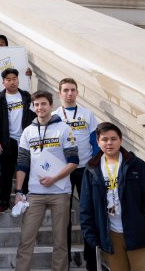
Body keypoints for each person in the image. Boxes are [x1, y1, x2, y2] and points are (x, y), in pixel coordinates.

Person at [13, 90, 79, 271]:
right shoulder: (27, 131)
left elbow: (74, 161)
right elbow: (22, 164)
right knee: (26, 239)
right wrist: (19, 191)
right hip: (34, 194)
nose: (40, 107)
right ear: (33, 108)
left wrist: (54, 178)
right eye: (36, 104)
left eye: (43, 104)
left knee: (60, 241)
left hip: (60, 192)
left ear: (51, 106)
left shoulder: (64, 129)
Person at [80, 122, 145, 271]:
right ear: (97, 142)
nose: (109, 143)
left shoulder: (137, 165)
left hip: (137, 233)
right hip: (111, 235)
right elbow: (85, 206)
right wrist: (91, 236)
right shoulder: (91, 169)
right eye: (104, 139)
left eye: (113, 139)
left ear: (121, 141)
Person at [53, 77, 99, 269]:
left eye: (73, 90)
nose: (69, 93)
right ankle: (66, 259)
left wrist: (94, 166)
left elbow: (96, 144)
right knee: (63, 216)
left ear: (77, 92)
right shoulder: (54, 115)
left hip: (85, 170)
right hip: (64, 171)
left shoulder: (88, 115)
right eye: (65, 90)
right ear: (60, 93)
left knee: (88, 213)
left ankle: (90, 258)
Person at [0, 68, 35, 214]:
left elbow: (35, 112)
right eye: (8, 79)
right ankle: (4, 201)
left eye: (14, 78)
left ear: (18, 80)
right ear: (3, 82)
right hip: (8, 141)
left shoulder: (26, 97)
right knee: (7, 173)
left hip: (25, 140)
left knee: (26, 171)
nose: (12, 82)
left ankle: (25, 197)